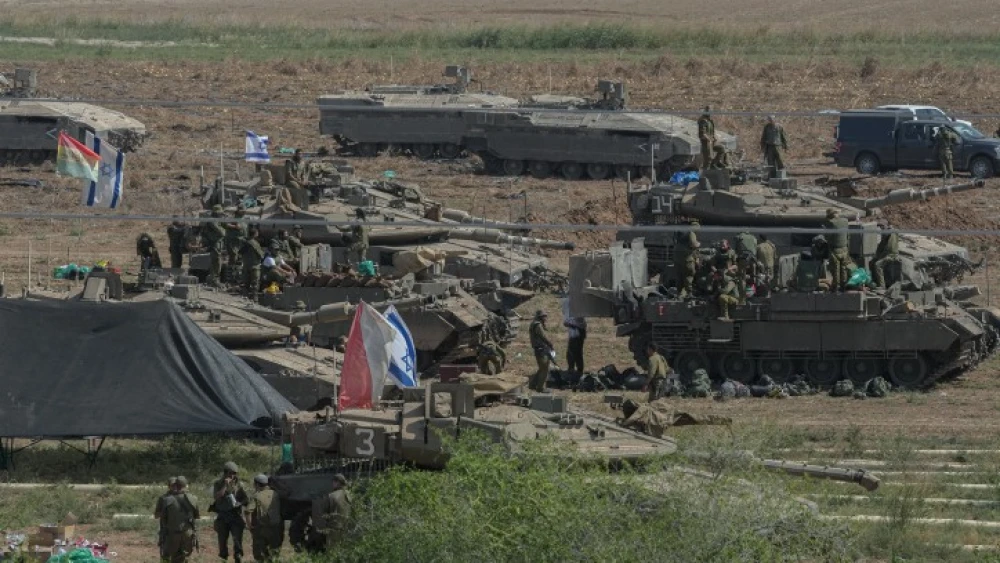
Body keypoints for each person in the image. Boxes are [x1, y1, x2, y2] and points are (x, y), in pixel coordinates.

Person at [212, 461, 249, 563]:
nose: (232, 476)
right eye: (230, 473)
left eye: (234, 473)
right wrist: (225, 485)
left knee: (237, 542)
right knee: (222, 542)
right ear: (225, 473)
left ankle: (238, 558)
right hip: (223, 516)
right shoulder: (218, 483)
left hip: (235, 516)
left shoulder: (239, 484)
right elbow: (217, 497)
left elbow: (246, 500)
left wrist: (239, 503)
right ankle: (223, 558)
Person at [246, 474, 283, 562]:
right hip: (275, 527)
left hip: (261, 529)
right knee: (274, 553)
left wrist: (250, 526)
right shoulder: (276, 494)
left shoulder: (257, 496)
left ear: (257, 484)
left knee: (260, 554)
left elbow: (247, 512)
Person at [162, 476, 199, 563]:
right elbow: (196, 516)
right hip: (188, 533)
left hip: (173, 534)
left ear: (176, 485)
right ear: (185, 485)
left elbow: (163, 518)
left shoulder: (167, 500)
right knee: (185, 557)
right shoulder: (194, 499)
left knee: (171, 557)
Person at [312, 473, 352, 551]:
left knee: (333, 551)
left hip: (334, 529)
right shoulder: (350, 495)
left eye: (333, 482)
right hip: (348, 528)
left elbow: (322, 514)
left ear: (337, 482)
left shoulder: (331, 496)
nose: (332, 484)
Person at [824, 208, 851, 291]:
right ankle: (844, 286)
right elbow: (848, 235)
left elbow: (827, 237)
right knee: (844, 268)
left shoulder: (831, 223)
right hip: (845, 249)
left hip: (835, 250)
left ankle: (835, 287)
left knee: (835, 268)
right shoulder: (845, 221)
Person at [528, 310, 554, 393]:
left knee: (542, 368)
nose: (545, 318)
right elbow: (543, 336)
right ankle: (540, 388)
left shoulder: (534, 323)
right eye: (544, 316)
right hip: (541, 349)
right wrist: (550, 344)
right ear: (540, 317)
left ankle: (532, 384)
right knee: (545, 368)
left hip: (539, 348)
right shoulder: (538, 325)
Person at [674, 219, 701, 297]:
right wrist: (698, 244)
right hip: (687, 258)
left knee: (679, 275)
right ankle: (689, 293)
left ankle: (679, 292)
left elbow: (674, 241)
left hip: (677, 257)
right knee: (688, 275)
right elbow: (694, 244)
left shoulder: (679, 232)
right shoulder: (691, 232)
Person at [154, 477, 178, 560]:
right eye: (173, 485)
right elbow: (156, 515)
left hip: (179, 531)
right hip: (166, 531)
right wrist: (166, 512)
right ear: (169, 486)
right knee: (165, 554)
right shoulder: (163, 498)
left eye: (177, 485)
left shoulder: (183, 497)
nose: (175, 487)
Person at [203, 205, 227, 287]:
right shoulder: (212, 221)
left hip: (218, 244)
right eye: (220, 213)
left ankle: (213, 280)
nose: (221, 214)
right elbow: (222, 233)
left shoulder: (217, 220)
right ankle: (214, 280)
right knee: (217, 263)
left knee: (217, 262)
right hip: (214, 244)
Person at [872, 222, 900, 289]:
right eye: (880, 227)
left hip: (892, 256)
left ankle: (882, 286)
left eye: (882, 226)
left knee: (877, 265)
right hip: (889, 255)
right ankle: (876, 281)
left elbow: (886, 248)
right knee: (874, 262)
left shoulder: (890, 232)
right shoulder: (888, 234)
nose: (881, 228)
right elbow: (881, 247)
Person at [241, 227, 265, 302]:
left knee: (246, 283)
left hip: (245, 266)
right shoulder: (255, 243)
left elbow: (240, 252)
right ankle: (255, 299)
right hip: (254, 266)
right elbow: (261, 255)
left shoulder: (244, 242)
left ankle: (245, 297)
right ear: (255, 234)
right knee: (255, 284)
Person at [224, 208, 248, 282]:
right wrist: (234, 226)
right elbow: (225, 224)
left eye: (245, 210)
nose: (244, 212)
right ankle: (229, 278)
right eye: (242, 210)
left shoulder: (244, 218)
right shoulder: (234, 218)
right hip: (233, 242)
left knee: (240, 260)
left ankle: (238, 277)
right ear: (238, 211)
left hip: (242, 242)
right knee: (233, 259)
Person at [697, 106, 716, 170]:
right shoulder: (703, 121)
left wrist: (714, 138)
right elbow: (703, 133)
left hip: (711, 141)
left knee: (717, 153)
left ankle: (711, 169)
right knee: (708, 158)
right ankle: (706, 172)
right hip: (706, 142)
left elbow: (711, 132)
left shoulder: (709, 121)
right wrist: (709, 139)